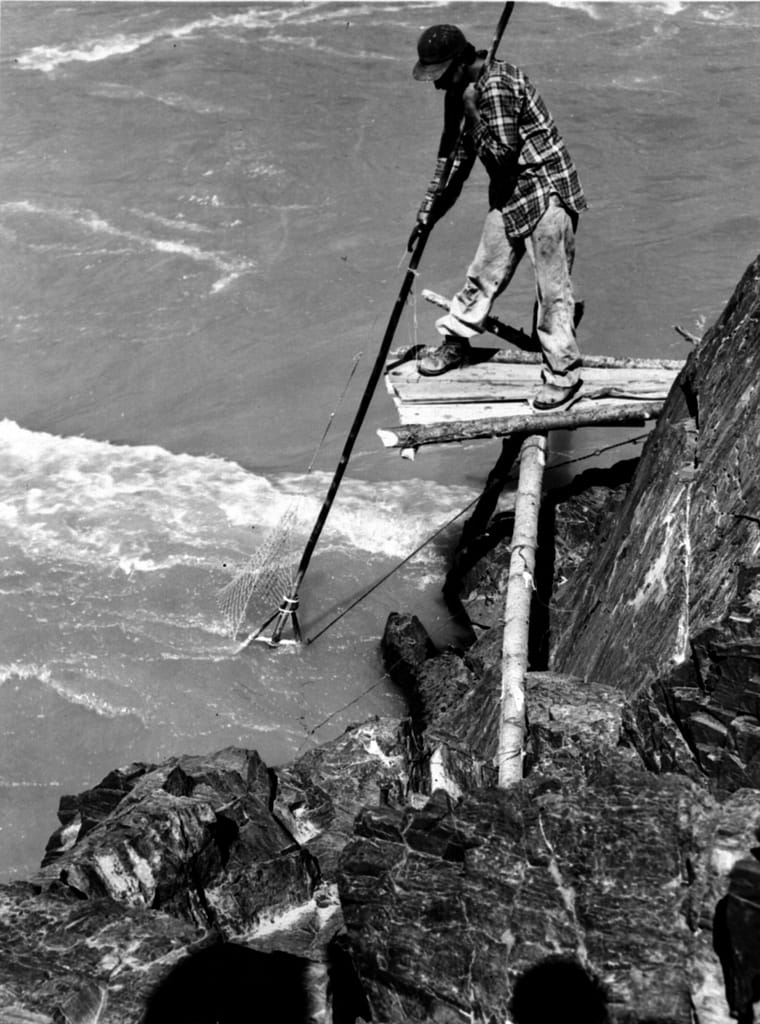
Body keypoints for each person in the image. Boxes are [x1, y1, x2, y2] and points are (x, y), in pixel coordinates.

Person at [410, 24, 587, 410]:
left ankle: (563, 375)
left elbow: (501, 157)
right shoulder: (460, 90)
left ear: (460, 63)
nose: (438, 86)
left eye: (441, 76)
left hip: (545, 191)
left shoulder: (496, 87)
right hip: (510, 192)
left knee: (552, 291)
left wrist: (473, 111)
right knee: (483, 269)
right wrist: (429, 212)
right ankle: (456, 342)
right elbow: (454, 158)